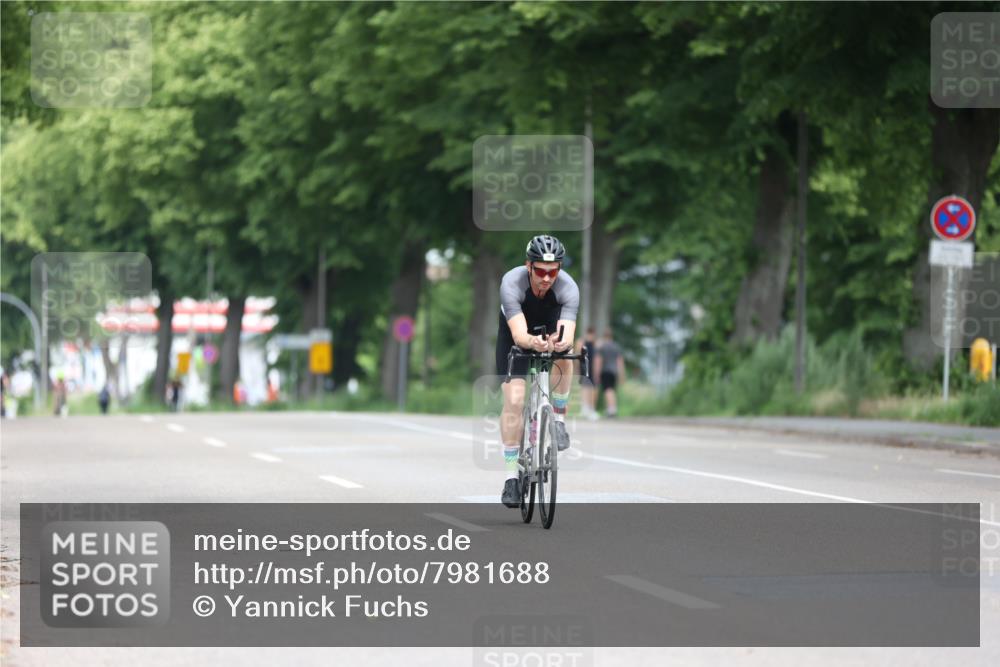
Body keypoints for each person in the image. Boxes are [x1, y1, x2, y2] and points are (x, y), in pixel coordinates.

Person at [496, 235, 579, 508]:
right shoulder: (512, 282)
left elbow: (567, 334)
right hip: (516, 335)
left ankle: (558, 418)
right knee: (515, 400)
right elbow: (520, 335)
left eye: (553, 271)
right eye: (540, 271)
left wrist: (559, 342)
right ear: (528, 266)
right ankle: (511, 478)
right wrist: (533, 342)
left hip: (550, 330)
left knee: (566, 355)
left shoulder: (568, 288)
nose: (546, 278)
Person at [594, 329, 625, 417]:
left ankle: (611, 409)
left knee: (607, 390)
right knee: (611, 390)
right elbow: (620, 361)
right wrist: (621, 374)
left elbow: (599, 360)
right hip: (614, 371)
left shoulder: (602, 346)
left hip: (605, 370)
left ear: (604, 336)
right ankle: (611, 408)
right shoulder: (616, 346)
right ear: (611, 336)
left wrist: (597, 373)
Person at [575, 327, 598, 420]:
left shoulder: (581, 341)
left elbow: (577, 355)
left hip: (585, 366)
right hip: (587, 366)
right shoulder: (593, 343)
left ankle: (587, 408)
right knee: (589, 387)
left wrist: (576, 368)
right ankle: (588, 408)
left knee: (587, 387)